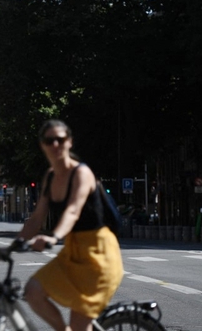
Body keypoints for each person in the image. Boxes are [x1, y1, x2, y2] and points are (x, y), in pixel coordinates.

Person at [7, 119, 123, 331]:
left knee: (80, 324)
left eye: (60, 140)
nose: (55, 145)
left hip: (99, 254)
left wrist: (53, 236)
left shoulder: (82, 173)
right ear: (42, 145)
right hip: (73, 253)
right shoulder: (50, 177)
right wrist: (11, 247)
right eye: (49, 140)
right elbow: (36, 218)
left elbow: (73, 211)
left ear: (69, 142)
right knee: (33, 291)